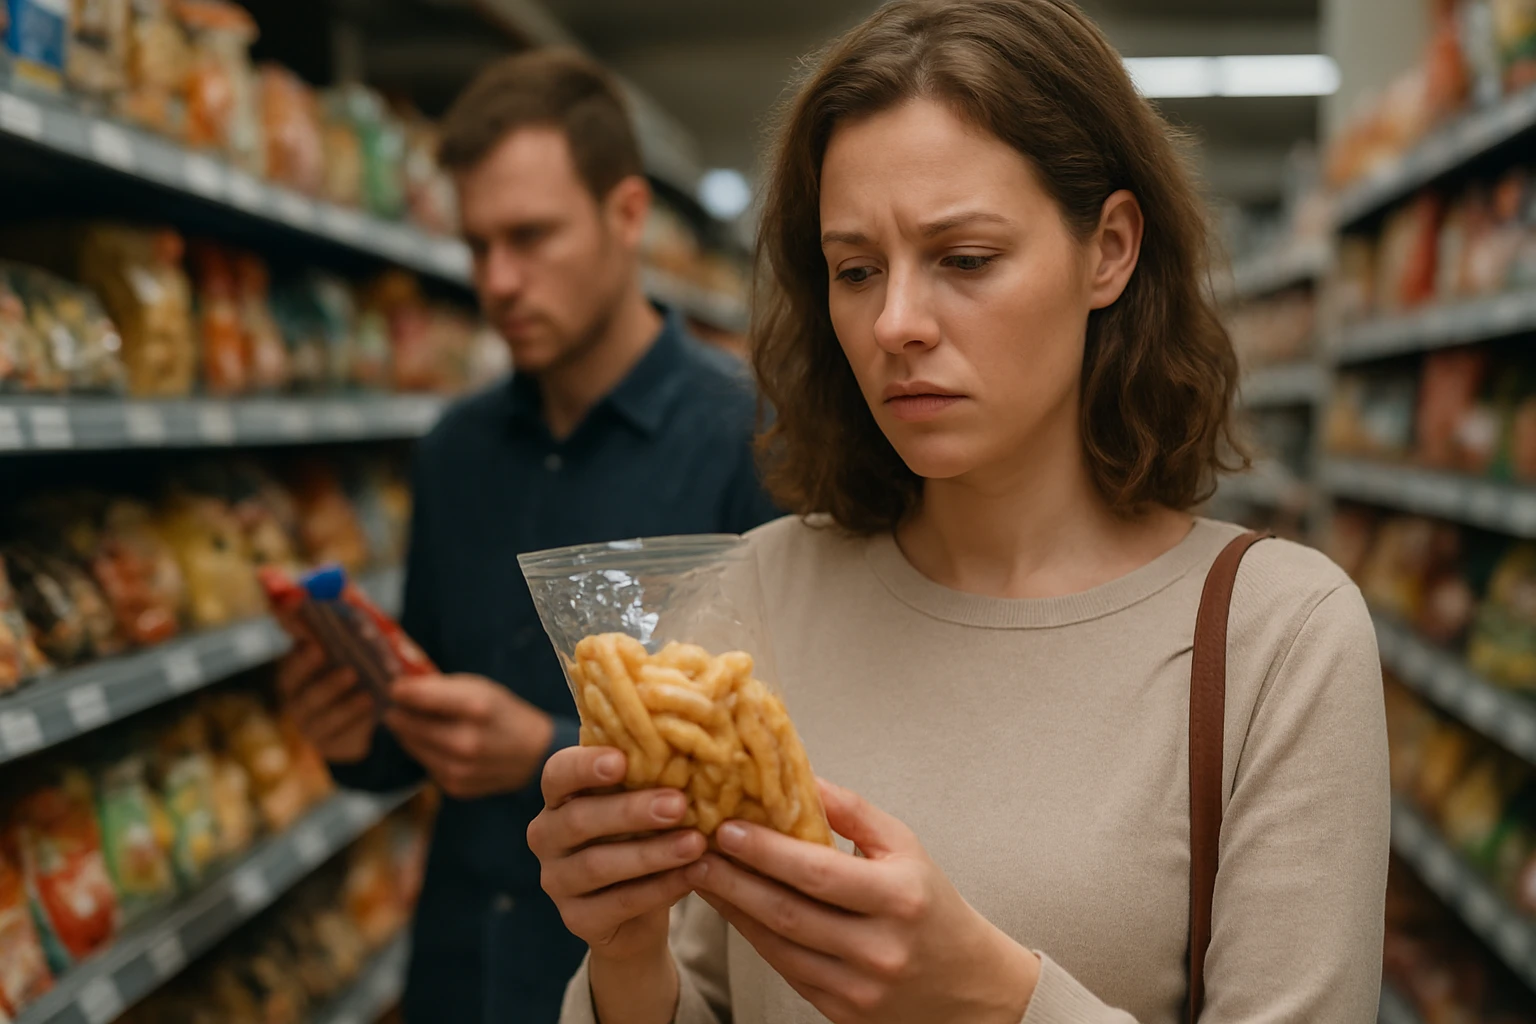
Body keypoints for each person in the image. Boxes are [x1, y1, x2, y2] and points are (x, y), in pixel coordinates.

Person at [529, 2, 1390, 1023]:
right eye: (854, 271)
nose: (895, 322)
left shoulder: (1277, 637)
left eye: (965, 259)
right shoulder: (752, 595)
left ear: (1108, 249)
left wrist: (991, 998)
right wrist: (625, 954)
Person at [275, 50, 780, 1024]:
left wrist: (539, 750)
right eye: (477, 246)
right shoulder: (454, 451)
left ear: (627, 214)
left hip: (649, 984)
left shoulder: (753, 441)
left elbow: (778, 767)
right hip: (462, 966)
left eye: (531, 236)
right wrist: (357, 733)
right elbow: (415, 733)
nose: (499, 281)